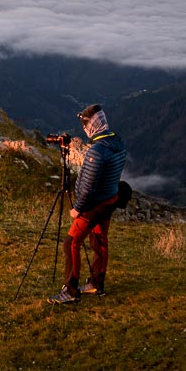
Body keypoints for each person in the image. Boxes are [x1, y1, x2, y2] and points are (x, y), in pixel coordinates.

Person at [49, 103, 127, 305]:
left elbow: (89, 187)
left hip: (93, 205)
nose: (84, 129)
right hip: (110, 199)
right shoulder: (118, 142)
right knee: (99, 240)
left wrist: (78, 209)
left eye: (85, 125)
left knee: (71, 243)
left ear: (91, 126)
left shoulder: (97, 152)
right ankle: (96, 283)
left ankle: (71, 290)